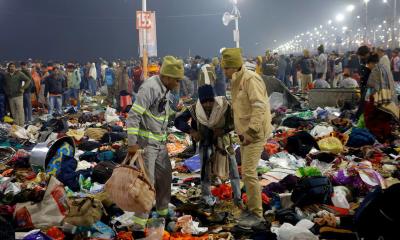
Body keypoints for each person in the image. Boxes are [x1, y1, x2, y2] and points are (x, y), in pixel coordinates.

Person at [126, 56, 184, 231]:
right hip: (146, 146)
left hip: (159, 144)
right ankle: (139, 225)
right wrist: (132, 144)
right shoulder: (150, 88)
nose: (178, 83)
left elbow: (158, 114)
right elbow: (133, 116)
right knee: (147, 184)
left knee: (165, 177)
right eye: (177, 79)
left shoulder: (165, 89)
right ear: (166, 77)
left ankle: (162, 212)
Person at [221, 48, 272, 228]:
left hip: (255, 133)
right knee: (247, 172)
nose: (224, 72)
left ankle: (257, 214)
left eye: (226, 69)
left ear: (234, 67)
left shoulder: (250, 79)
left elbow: (259, 107)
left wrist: (251, 131)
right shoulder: (237, 80)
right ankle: (251, 208)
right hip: (245, 133)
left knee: (249, 172)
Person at [174, 85, 243, 208]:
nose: (208, 105)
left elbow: (236, 121)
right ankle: (206, 196)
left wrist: (223, 130)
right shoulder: (195, 109)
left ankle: (238, 198)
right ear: (200, 101)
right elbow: (178, 121)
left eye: (210, 101)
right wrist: (192, 131)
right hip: (205, 143)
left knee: (232, 170)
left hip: (224, 144)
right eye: (204, 102)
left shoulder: (224, 106)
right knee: (205, 171)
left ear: (214, 99)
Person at [364, 53, 399, 142]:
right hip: (388, 98)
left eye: (368, 65)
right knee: (384, 120)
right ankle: (384, 138)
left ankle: (377, 139)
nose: (368, 67)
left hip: (378, 99)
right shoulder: (386, 69)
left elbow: (372, 85)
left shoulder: (376, 69)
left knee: (375, 121)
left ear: (372, 63)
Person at [355, 46, 372, 120]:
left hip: (369, 86)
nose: (360, 57)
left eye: (360, 55)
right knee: (363, 103)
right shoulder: (365, 61)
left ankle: (359, 118)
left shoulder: (371, 62)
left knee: (364, 103)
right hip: (364, 85)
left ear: (365, 54)